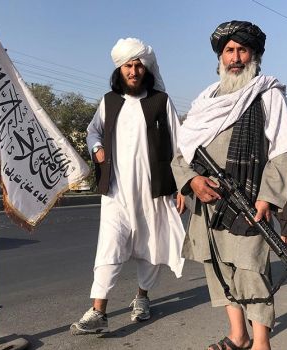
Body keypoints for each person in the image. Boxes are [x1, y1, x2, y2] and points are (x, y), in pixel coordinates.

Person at [171, 21, 287, 350]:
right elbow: (181, 151)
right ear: (220, 57)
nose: (235, 57)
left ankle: (260, 343)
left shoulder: (267, 94)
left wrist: (268, 199)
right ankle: (237, 336)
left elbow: (283, 152)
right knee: (218, 269)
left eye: (242, 50)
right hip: (208, 203)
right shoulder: (205, 101)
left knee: (251, 270)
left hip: (247, 201)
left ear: (254, 55)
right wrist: (192, 181)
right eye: (229, 50)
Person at [70, 38, 186, 335]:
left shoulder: (161, 101)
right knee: (108, 247)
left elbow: (179, 143)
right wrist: (96, 148)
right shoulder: (109, 101)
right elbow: (92, 131)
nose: (133, 71)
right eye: (127, 66)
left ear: (145, 69)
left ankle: (142, 298)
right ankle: (99, 311)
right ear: (119, 70)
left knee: (151, 245)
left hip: (154, 190)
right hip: (116, 191)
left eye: (138, 65)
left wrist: (183, 187)